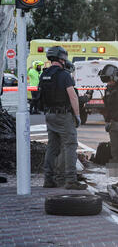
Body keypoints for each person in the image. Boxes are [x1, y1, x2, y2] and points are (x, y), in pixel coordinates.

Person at [39, 46, 86, 190]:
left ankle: (49, 179)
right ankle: (71, 180)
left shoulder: (44, 74)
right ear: (61, 58)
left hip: (49, 115)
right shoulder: (64, 75)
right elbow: (73, 96)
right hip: (63, 115)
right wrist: (77, 115)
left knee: (52, 147)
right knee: (70, 145)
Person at [54, 61, 93, 187]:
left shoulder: (53, 79)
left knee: (59, 147)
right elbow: (75, 99)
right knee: (69, 146)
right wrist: (87, 98)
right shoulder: (66, 81)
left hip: (53, 117)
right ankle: (70, 179)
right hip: (66, 117)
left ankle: (57, 176)